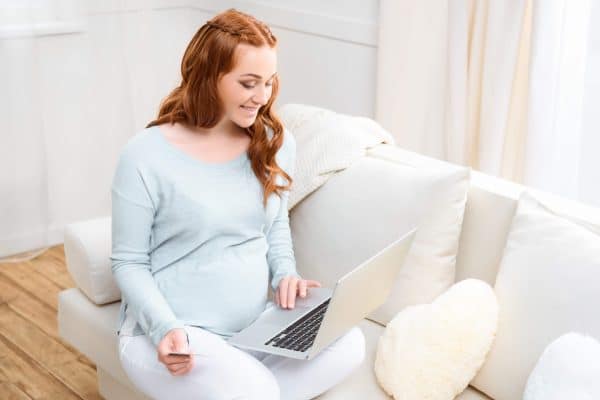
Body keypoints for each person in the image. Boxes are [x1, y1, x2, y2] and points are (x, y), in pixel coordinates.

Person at [110, 8, 365, 400]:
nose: (262, 98)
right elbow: (128, 263)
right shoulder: (144, 155)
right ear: (209, 77)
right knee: (255, 390)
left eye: (268, 82)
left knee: (349, 340)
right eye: (248, 83)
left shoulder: (273, 141)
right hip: (172, 334)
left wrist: (285, 276)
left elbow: (276, 224)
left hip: (251, 330)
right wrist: (165, 329)